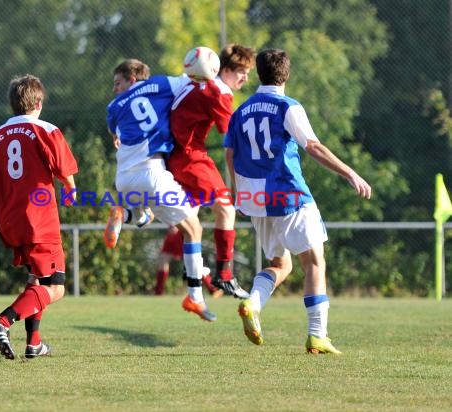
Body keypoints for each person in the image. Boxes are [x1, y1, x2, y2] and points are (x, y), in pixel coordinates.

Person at [224, 48, 372, 354]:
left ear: (260, 73)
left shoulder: (240, 111)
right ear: (286, 74)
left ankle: (252, 302)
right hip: (287, 192)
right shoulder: (287, 106)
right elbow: (313, 147)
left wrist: (239, 190)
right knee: (314, 261)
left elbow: (230, 153)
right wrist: (350, 173)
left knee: (280, 264)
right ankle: (317, 334)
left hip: (254, 197)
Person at [0, 74, 79, 359]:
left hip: (9, 222)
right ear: (38, 102)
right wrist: (71, 192)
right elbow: (66, 173)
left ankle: (33, 343)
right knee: (56, 287)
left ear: (13, 104)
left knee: (37, 279)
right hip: (39, 221)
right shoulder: (46, 130)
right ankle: (2, 321)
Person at [105, 59, 216, 322]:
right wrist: (208, 66)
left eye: (117, 83)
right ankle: (195, 296)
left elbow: (116, 134)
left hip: (124, 179)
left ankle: (125, 215)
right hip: (152, 173)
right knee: (194, 230)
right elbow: (193, 78)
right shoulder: (161, 84)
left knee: (147, 218)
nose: (114, 89)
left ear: (132, 78)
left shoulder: (113, 107)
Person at [167, 43, 256, 299]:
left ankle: (197, 272)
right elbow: (230, 131)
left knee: (190, 220)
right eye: (242, 71)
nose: (245, 78)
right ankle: (224, 276)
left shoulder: (192, 82)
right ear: (225, 69)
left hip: (175, 156)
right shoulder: (218, 91)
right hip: (191, 156)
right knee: (226, 208)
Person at [153, 226, 221, 297]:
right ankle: (158, 291)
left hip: (186, 240)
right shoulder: (170, 235)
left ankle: (213, 290)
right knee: (162, 261)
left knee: (196, 265)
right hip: (173, 240)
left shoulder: (185, 229)